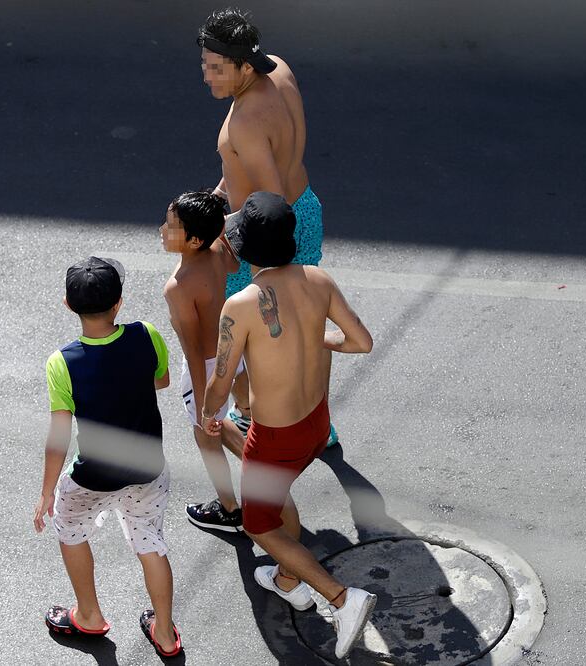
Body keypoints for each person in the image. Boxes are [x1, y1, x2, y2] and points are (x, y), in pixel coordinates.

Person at [201, 193, 376, 660]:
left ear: (246, 249)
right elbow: (361, 342)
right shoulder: (319, 280)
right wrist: (314, 335)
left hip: (275, 438)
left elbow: (221, 380)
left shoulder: (240, 304)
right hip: (317, 426)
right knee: (277, 498)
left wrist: (209, 413)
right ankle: (287, 580)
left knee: (259, 524)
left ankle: (342, 598)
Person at [196, 7, 339, 447]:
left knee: (253, 331)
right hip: (307, 208)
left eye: (217, 68)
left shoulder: (245, 121)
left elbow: (271, 201)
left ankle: (259, 421)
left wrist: (230, 233)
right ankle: (319, 424)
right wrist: (222, 190)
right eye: (204, 64)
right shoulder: (277, 66)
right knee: (309, 322)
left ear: (242, 66)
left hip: (265, 236)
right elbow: (270, 160)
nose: (207, 76)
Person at [33, 257, 183, 658]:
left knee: (70, 528)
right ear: (119, 301)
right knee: (150, 542)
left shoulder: (62, 362)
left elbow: (59, 436)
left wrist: (47, 492)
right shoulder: (146, 334)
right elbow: (162, 380)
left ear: (67, 304)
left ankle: (89, 616)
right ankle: (165, 635)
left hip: (93, 476)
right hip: (148, 468)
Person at [160, 190, 250, 533]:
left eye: (171, 227)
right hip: (234, 351)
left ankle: (229, 510)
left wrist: (203, 405)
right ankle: (259, 467)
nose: (162, 231)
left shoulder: (177, 288)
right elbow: (233, 264)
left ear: (195, 238)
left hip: (208, 366)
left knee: (206, 436)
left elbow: (193, 350)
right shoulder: (215, 248)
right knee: (219, 423)